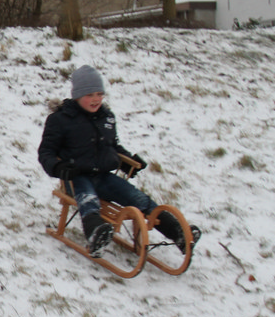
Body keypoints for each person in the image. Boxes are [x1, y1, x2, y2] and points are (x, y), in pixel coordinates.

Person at [38, 65, 199, 256]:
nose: (96, 99)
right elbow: (46, 152)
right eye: (90, 95)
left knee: (139, 198)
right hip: (75, 177)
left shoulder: (106, 117)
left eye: (100, 94)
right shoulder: (60, 119)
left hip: (104, 176)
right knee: (89, 200)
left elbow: (112, 146)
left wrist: (127, 160)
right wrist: (58, 167)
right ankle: (96, 234)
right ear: (77, 95)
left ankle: (179, 233)